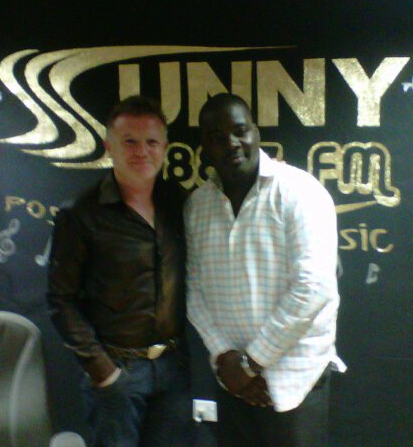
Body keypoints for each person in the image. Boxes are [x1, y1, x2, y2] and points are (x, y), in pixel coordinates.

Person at [185, 93, 346, 446]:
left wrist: (251, 363)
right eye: (217, 137)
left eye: (240, 130)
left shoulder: (300, 191)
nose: (231, 143)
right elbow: (194, 291)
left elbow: (313, 288)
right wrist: (226, 358)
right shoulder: (197, 206)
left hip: (295, 382)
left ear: (256, 132)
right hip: (231, 383)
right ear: (205, 147)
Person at [47, 95, 192, 446]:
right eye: (130, 141)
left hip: (173, 370)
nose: (142, 151)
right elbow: (60, 299)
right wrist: (102, 370)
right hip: (117, 373)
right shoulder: (80, 214)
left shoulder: (179, 202)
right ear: (108, 146)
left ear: (165, 147)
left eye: (151, 142)